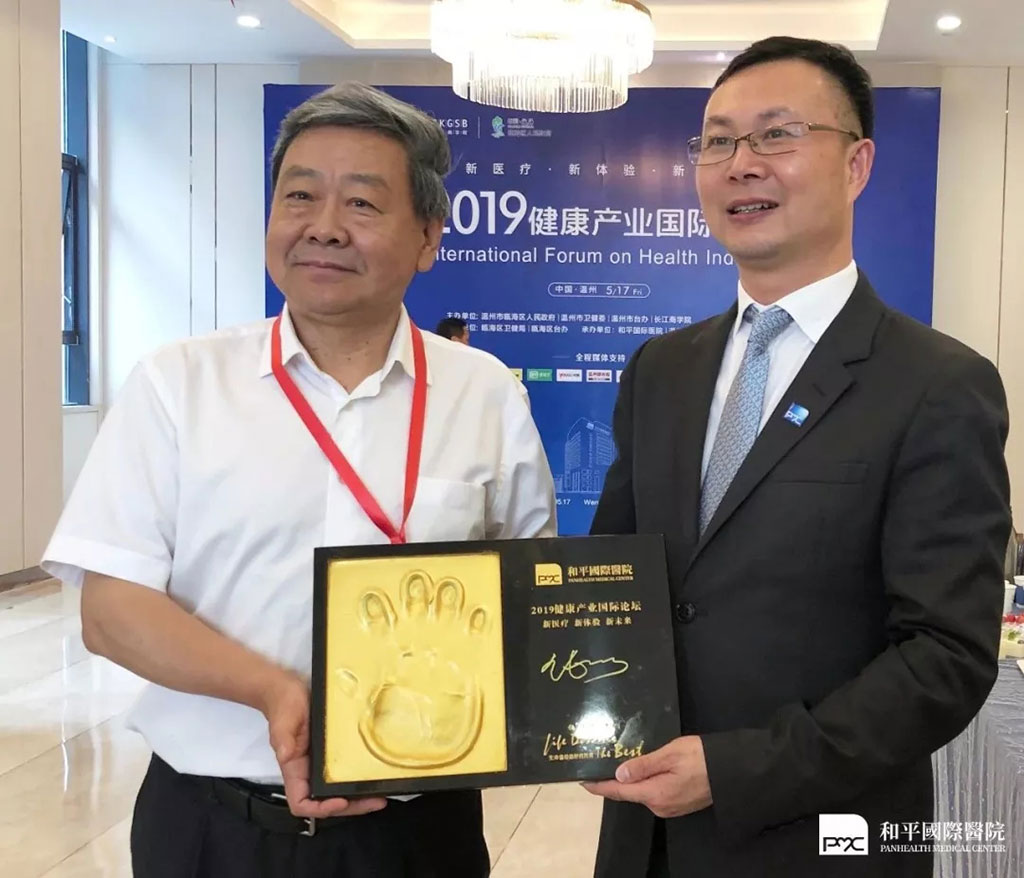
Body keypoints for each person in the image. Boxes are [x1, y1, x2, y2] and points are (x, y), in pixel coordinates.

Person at [41, 82, 557, 878]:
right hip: (213, 828)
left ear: (428, 236)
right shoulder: (178, 383)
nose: (324, 227)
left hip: (419, 833)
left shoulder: (484, 392)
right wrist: (272, 691)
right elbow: (111, 611)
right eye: (300, 196)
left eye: (362, 203)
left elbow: (529, 595)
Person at [584, 36, 1011, 878]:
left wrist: (738, 769)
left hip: (824, 841)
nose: (741, 163)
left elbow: (947, 656)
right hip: (647, 839)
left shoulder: (938, 383)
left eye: (777, 134)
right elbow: (612, 571)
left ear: (856, 165)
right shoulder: (660, 368)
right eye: (717, 140)